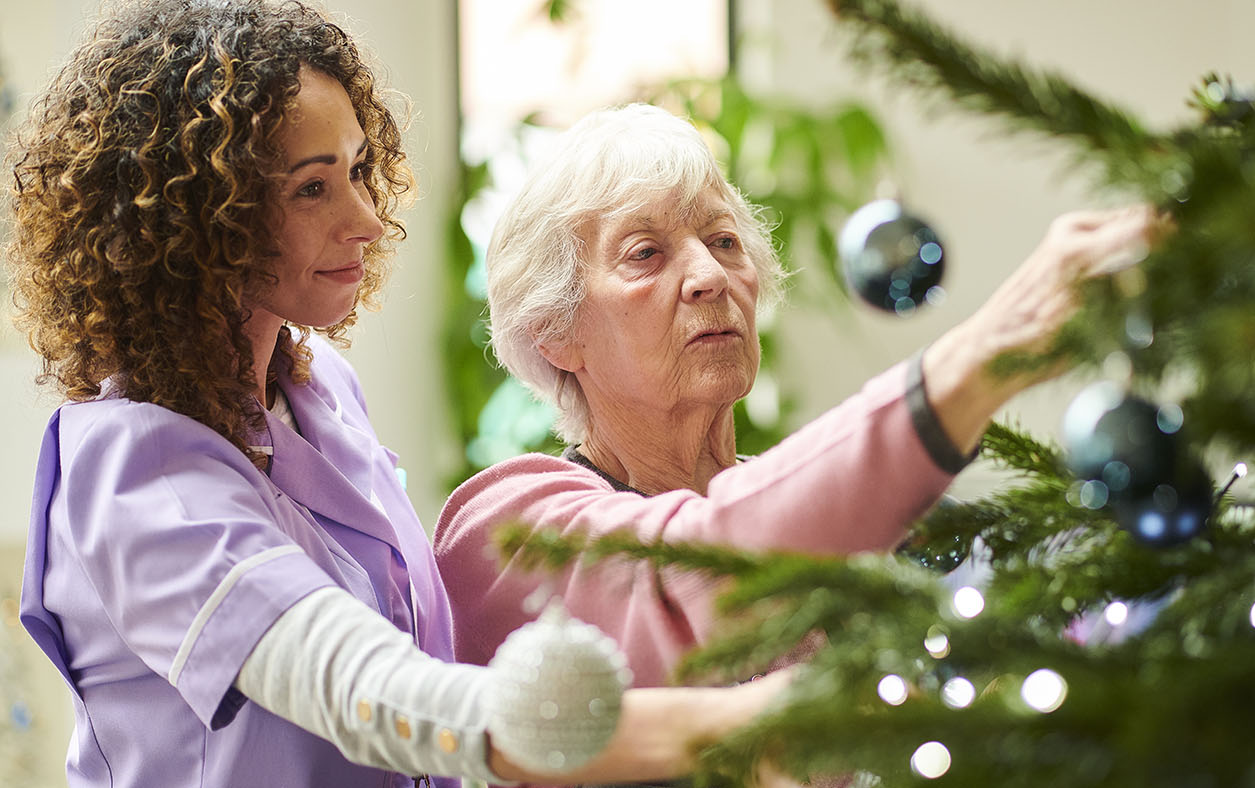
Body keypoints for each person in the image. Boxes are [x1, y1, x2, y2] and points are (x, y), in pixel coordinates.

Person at [4, 3, 791, 786]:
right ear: (201, 217)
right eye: (312, 188)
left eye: (355, 170)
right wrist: (761, 716)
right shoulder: (135, 468)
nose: (368, 219)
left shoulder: (321, 396)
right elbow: (373, 695)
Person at [433, 104, 1164, 690]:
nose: (709, 277)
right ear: (554, 332)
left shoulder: (830, 516)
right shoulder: (504, 530)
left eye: (723, 241)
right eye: (645, 254)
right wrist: (983, 355)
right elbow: (712, 573)